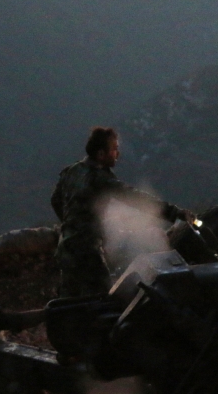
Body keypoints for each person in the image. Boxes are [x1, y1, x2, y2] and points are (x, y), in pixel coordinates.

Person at [51, 127, 192, 297]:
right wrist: (174, 213)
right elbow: (134, 197)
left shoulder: (71, 172)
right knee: (103, 301)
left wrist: (71, 226)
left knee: (70, 304)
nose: (117, 154)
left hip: (65, 248)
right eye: (114, 149)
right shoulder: (100, 178)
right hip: (87, 252)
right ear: (101, 154)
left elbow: (55, 201)